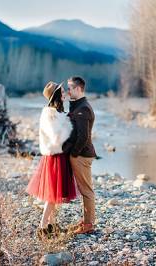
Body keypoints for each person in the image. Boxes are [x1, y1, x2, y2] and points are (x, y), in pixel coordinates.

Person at [26, 81, 77, 239]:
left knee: (56, 194)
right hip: (54, 157)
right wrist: (69, 126)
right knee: (52, 196)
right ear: (56, 95)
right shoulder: (50, 113)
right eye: (61, 91)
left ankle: (51, 225)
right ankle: (42, 227)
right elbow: (57, 138)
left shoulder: (57, 111)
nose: (64, 93)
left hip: (58, 155)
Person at [63, 76, 97, 234]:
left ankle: (89, 224)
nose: (67, 91)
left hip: (82, 155)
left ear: (78, 89)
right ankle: (86, 220)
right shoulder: (78, 105)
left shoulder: (83, 108)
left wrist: (74, 154)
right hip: (80, 154)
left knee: (86, 190)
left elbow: (83, 136)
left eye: (70, 88)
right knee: (85, 189)